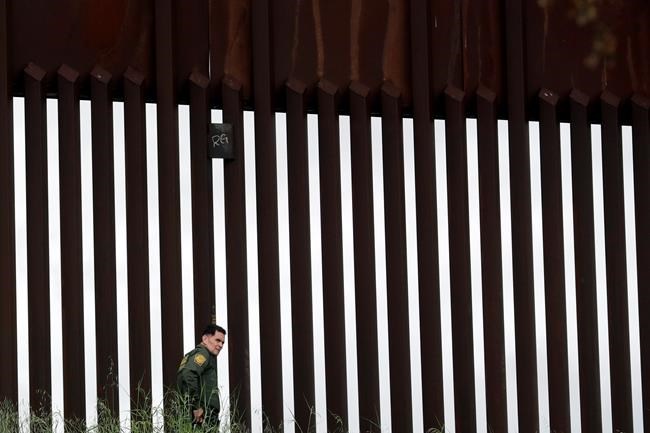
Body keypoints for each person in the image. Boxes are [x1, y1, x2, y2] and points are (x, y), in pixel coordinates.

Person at [176, 324, 226, 430]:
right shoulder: (203, 354)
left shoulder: (194, 355)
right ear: (205, 338)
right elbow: (188, 375)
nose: (221, 345)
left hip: (201, 416)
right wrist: (196, 407)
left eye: (222, 342)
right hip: (202, 417)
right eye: (217, 340)